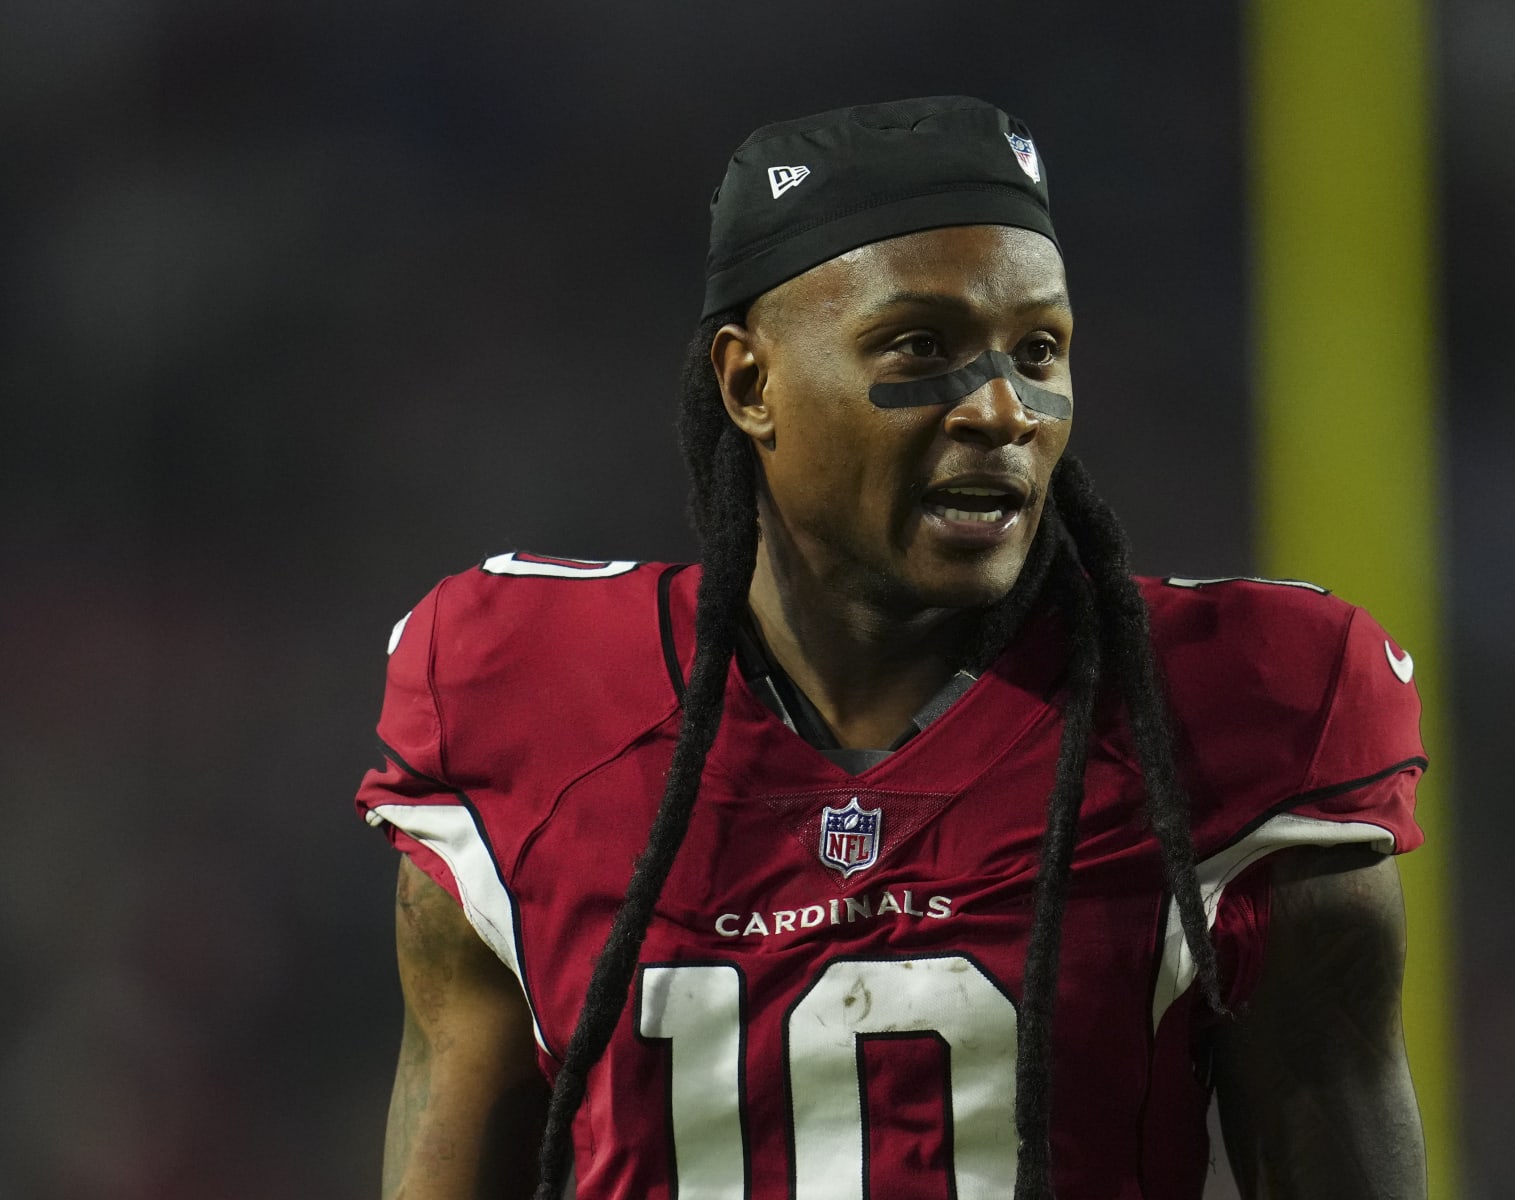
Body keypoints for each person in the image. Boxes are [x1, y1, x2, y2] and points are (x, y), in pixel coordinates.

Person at [358, 96, 1428, 1200]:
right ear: (750, 384)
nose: (1004, 409)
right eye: (922, 344)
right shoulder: (524, 702)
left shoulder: (1235, 711)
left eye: (1040, 349)